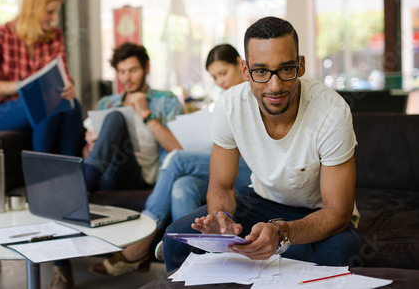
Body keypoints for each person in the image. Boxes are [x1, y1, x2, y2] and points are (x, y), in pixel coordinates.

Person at [162, 16, 363, 272]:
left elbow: (338, 213)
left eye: (286, 69)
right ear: (246, 71)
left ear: (300, 66)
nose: (275, 86)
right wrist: (223, 219)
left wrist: (282, 233)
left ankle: (259, 251)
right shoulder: (230, 106)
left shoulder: (331, 113)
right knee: (175, 236)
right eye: (261, 71)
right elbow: (221, 185)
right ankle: (261, 250)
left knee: (342, 250)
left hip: (316, 213)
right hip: (260, 202)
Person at [88, 44, 252, 278]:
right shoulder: (227, 100)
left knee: (176, 160)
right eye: (214, 77)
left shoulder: (253, 96)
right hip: (223, 163)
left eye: (223, 73)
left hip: (247, 169)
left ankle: (142, 241)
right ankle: (190, 261)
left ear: (241, 64)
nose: (219, 81)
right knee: (181, 185)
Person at [49, 42, 183, 289]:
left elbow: (178, 149)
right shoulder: (107, 102)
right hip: (108, 175)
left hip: (142, 175)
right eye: (121, 72)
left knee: (116, 117)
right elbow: (88, 153)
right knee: (114, 117)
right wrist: (91, 143)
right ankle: (84, 184)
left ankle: (79, 187)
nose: (127, 78)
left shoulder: (166, 100)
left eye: (132, 70)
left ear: (146, 68)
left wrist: (145, 113)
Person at [0, 0, 83, 156]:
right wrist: (21, 86)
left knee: (73, 106)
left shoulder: (55, 36)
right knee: (44, 103)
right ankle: (41, 173)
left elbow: (63, 76)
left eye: (56, 12)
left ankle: (70, 173)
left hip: (45, 103)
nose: (55, 19)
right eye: (50, 12)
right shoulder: (2, 34)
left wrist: (68, 86)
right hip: (5, 110)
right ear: (33, 8)